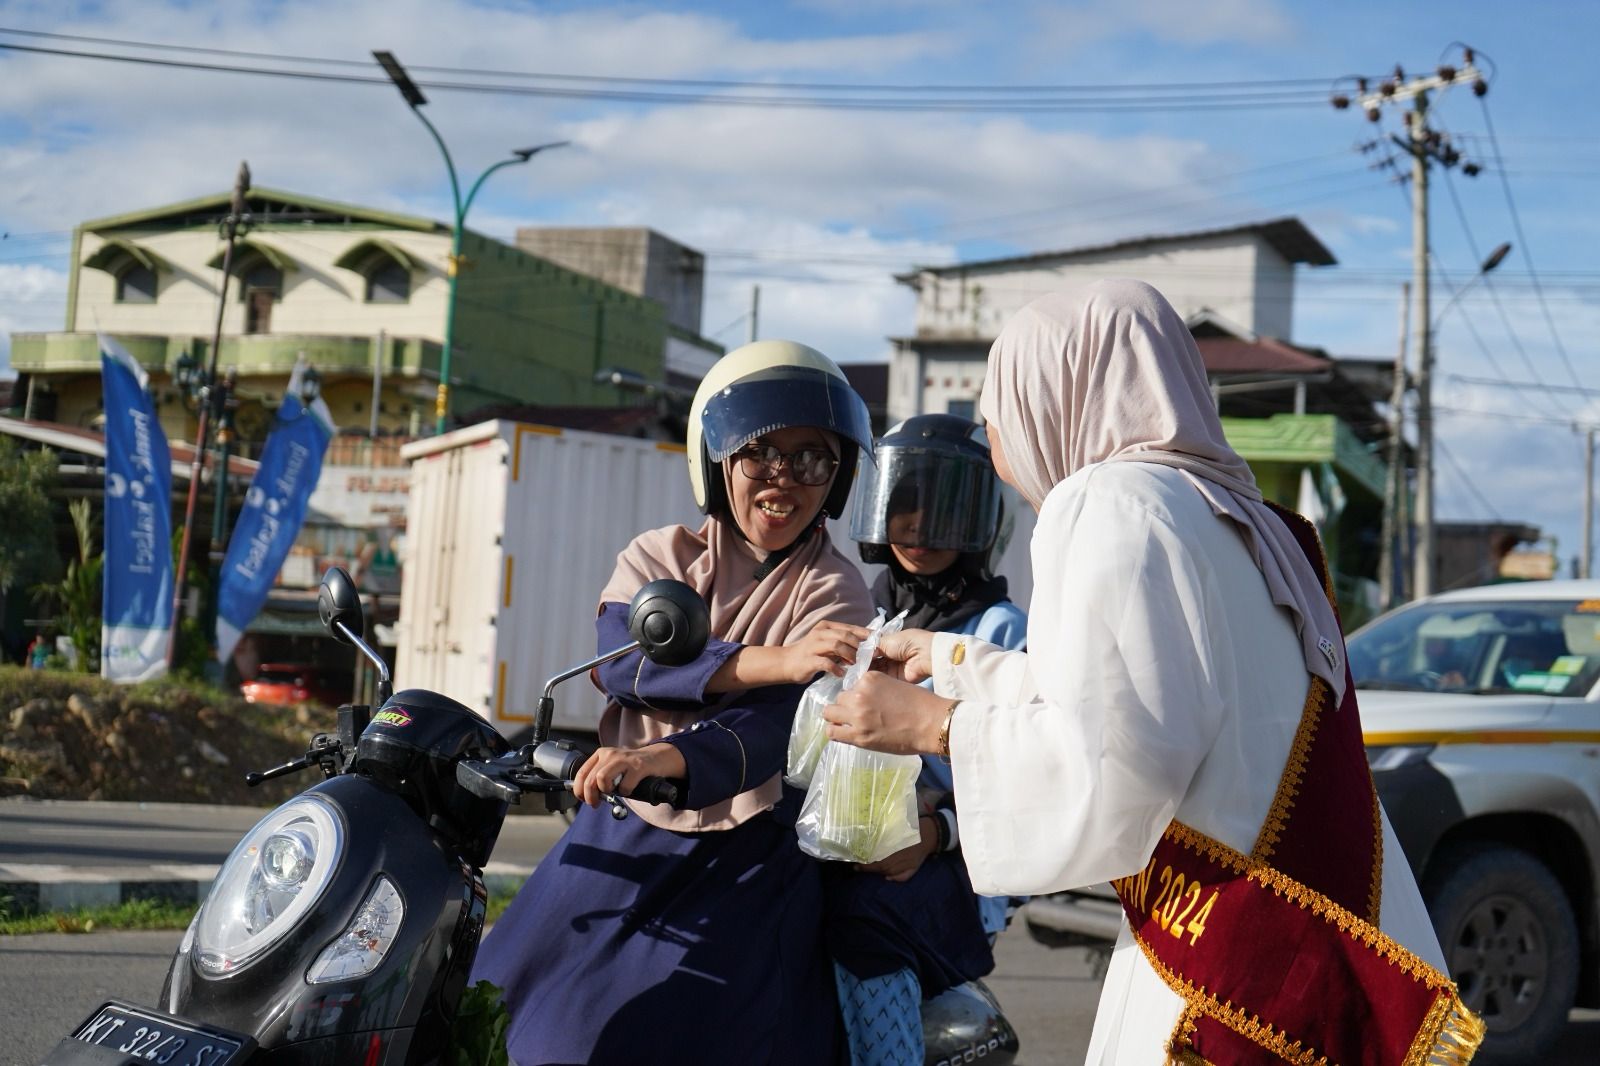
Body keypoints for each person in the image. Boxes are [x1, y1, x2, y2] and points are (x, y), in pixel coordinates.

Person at [822, 280, 1485, 1064]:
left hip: (1225, 982)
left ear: (1058, 395)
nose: (998, 447)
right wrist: (956, 662)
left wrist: (931, 725)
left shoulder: (1109, 502)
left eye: (1000, 411)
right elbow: (1147, 701)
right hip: (1330, 937)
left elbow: (1114, 767)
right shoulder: (1247, 518)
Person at [472, 339, 878, 1066]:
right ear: (716, 460)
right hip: (625, 817)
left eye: (812, 458)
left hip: (747, 846)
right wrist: (770, 660)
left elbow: (780, 727)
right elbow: (622, 657)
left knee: (654, 1033)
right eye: (760, 452)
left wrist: (664, 755)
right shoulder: (662, 555)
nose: (783, 477)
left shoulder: (836, 590)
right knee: (493, 993)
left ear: (838, 475)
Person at [826, 413, 1028, 1064]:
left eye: (942, 506)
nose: (917, 525)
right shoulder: (872, 613)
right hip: (864, 839)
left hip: (959, 865)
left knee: (863, 925)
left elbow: (1038, 775)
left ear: (980, 523)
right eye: (904, 502)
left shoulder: (1001, 631)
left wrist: (937, 831)